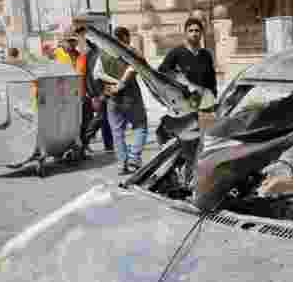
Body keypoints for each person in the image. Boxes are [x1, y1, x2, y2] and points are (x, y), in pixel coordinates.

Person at [94, 26, 147, 174]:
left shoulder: (104, 53)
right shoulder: (131, 51)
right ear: (126, 37)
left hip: (112, 95)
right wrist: (121, 84)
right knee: (140, 125)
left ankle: (121, 164)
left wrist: (112, 83)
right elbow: (134, 68)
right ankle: (134, 158)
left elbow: (97, 73)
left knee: (117, 131)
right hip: (130, 94)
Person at [74, 25, 113, 153]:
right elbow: (89, 76)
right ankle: (83, 141)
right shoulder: (93, 56)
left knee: (105, 118)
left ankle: (108, 144)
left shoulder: (93, 54)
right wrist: (95, 95)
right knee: (101, 118)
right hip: (100, 92)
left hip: (99, 92)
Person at [158, 17, 218, 97]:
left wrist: (213, 97)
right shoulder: (176, 52)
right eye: (191, 31)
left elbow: (212, 81)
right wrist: (178, 77)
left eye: (197, 31)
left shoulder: (206, 55)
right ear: (185, 33)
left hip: (203, 100)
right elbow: (162, 71)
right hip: (184, 100)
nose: (194, 34)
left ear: (201, 33)